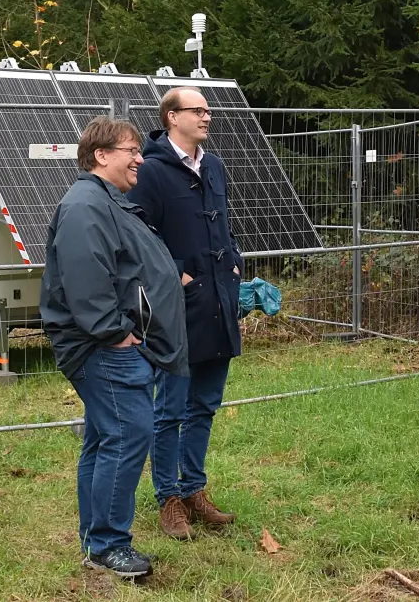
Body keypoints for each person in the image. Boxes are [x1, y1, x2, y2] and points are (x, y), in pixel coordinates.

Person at [39, 116, 188, 579]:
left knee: (107, 438)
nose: (140, 159)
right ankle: (107, 545)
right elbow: (87, 281)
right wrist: (117, 334)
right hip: (104, 348)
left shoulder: (105, 201)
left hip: (109, 344)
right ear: (101, 155)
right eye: (131, 151)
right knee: (127, 435)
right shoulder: (86, 205)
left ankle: (96, 541)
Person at [127, 86, 244, 541]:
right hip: (176, 307)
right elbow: (139, 234)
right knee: (170, 408)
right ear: (172, 117)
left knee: (205, 404)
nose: (207, 116)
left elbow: (224, 223)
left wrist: (234, 264)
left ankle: (194, 489)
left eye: (208, 110)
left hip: (219, 302)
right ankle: (169, 498)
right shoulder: (151, 171)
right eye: (197, 110)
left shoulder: (213, 166)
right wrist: (177, 276)